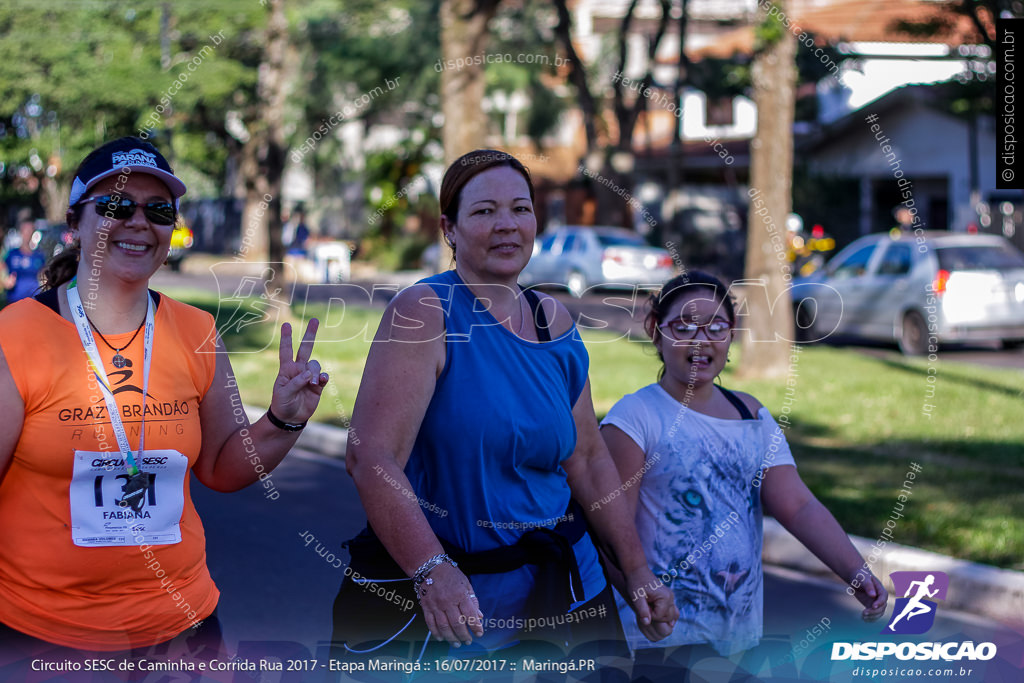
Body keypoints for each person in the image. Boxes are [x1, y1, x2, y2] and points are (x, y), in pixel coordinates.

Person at [332, 149, 676, 673]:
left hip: (561, 590)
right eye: (484, 211)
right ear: (449, 228)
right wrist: (432, 571)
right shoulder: (425, 311)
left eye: (520, 209)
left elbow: (586, 458)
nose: (506, 225)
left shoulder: (552, 319)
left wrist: (636, 572)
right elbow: (372, 457)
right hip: (458, 601)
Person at [0, 137, 329, 671]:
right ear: (74, 224)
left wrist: (284, 419)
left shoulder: (197, 331)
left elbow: (223, 467)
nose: (138, 222)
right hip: (45, 637)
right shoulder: (14, 337)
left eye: (158, 211)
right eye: (114, 207)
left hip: (184, 630)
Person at [599, 271, 888, 681]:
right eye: (684, 326)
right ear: (655, 330)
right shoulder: (636, 418)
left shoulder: (750, 416)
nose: (701, 341)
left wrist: (855, 571)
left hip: (739, 636)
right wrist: (639, 595)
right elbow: (610, 530)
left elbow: (798, 505)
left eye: (716, 327)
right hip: (662, 639)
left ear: (731, 335)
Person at [2, 219, 47, 305]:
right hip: (14, 301)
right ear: (20, 232)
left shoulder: (39, 255)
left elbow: (44, 276)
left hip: (33, 301)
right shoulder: (12, 254)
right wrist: (5, 281)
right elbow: (2, 269)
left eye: (30, 231)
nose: (27, 234)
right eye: (25, 230)